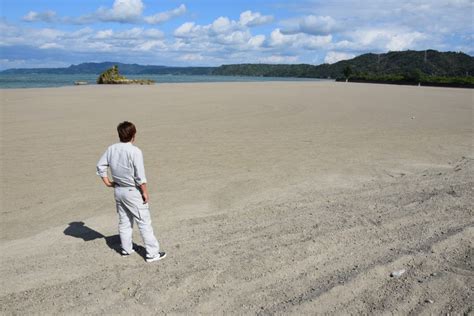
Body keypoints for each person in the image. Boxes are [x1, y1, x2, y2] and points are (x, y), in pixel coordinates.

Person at [96, 121, 166, 263]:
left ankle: (126, 249)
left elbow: (100, 165)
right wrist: (145, 192)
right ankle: (152, 254)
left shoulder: (111, 148)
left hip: (118, 190)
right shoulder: (135, 151)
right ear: (133, 135)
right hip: (132, 191)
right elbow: (140, 175)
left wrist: (108, 182)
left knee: (124, 221)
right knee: (144, 222)